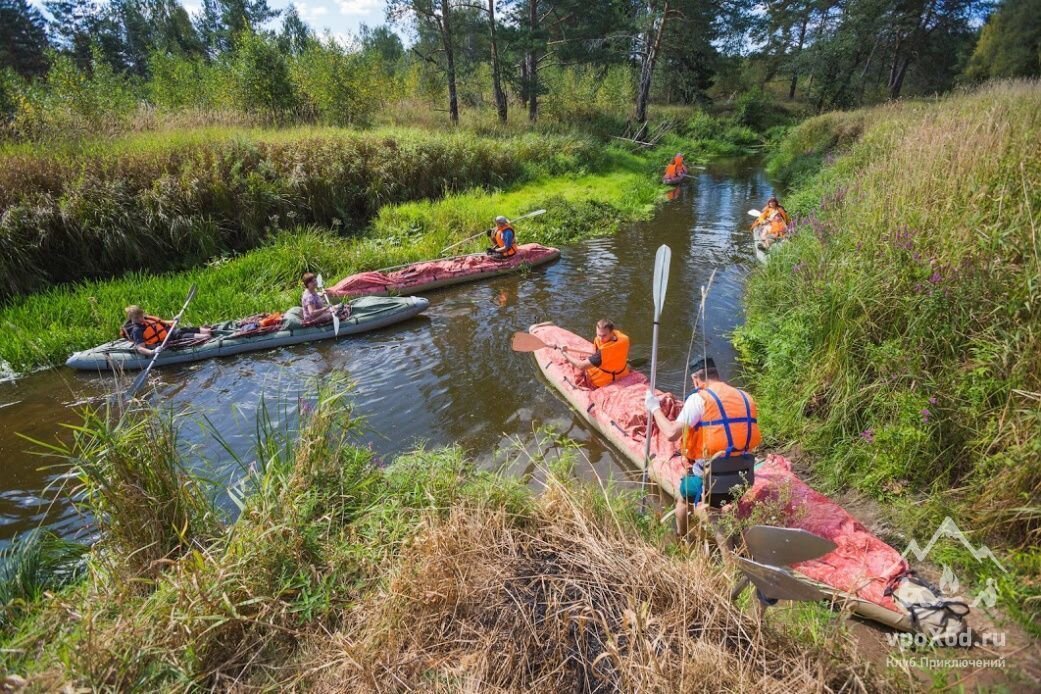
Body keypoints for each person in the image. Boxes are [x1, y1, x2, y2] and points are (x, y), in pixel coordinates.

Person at [644, 357, 761, 538]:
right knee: (726, 496)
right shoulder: (746, 396)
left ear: (696, 380)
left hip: (710, 480)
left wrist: (654, 408)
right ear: (717, 374)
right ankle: (734, 525)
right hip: (743, 478)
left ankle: (682, 538)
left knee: (684, 500)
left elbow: (670, 433)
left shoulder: (699, 399)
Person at [558, 319, 630, 388]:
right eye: (599, 335)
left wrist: (565, 354)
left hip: (604, 380)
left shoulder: (603, 352)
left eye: (604, 335)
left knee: (577, 369)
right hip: (623, 372)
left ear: (611, 332)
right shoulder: (624, 338)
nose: (601, 339)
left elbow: (581, 366)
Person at [121, 305, 211, 357]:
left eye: (141, 316)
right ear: (131, 318)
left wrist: (175, 320)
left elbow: (165, 322)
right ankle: (207, 337)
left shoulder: (147, 319)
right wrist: (152, 352)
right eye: (137, 318)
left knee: (180, 330)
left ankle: (209, 331)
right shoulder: (137, 330)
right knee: (180, 334)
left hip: (169, 334)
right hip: (162, 342)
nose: (141, 319)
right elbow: (140, 348)